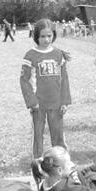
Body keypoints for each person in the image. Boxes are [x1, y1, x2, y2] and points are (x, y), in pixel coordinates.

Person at [20, 18, 71, 158]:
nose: (47, 39)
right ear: (36, 36)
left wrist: (65, 101)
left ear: (53, 35)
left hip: (56, 103)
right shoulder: (30, 55)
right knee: (38, 134)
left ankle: (60, 160)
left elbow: (64, 79)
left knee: (58, 133)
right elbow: (24, 81)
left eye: (49, 36)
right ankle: (38, 161)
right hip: (38, 104)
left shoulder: (58, 54)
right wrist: (32, 102)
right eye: (43, 36)